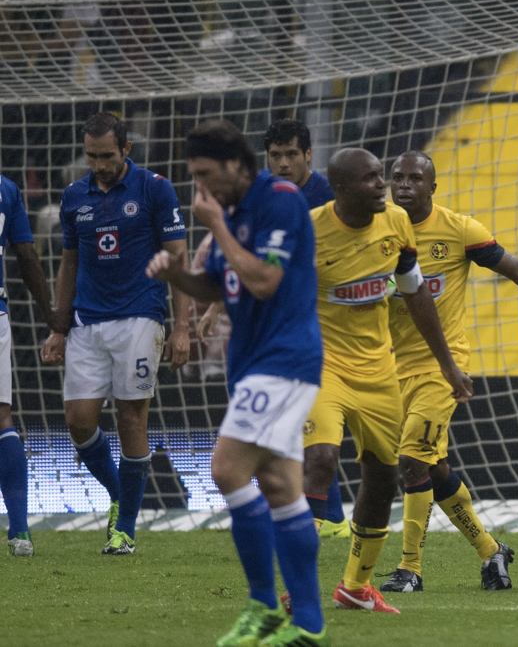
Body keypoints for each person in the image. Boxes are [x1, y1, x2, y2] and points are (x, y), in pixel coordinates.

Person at [375, 151, 518, 593]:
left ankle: (410, 569)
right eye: (397, 177)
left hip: (443, 369)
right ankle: (490, 551)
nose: (404, 185)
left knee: (412, 460)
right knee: (433, 467)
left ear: (433, 186)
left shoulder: (459, 230)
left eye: (415, 178)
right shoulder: (377, 231)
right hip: (388, 368)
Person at [146, 119, 328, 647]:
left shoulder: (280, 200)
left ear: (235, 165)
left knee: (226, 468)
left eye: (205, 175)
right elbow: (223, 285)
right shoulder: (229, 211)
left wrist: (217, 227)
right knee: (280, 490)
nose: (199, 188)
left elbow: (266, 281)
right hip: (252, 364)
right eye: (193, 178)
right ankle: (311, 629)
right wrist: (174, 276)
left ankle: (264, 607)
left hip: (285, 360)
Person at [300, 147, 470, 614]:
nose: (383, 185)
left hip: (379, 371)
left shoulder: (396, 224)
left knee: (382, 478)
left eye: (383, 176)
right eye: (373, 178)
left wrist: (448, 365)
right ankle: (297, 589)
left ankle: (356, 585)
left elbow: (415, 293)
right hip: (323, 366)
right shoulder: (308, 230)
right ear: (340, 189)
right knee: (321, 460)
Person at [40, 112, 191, 555]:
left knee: (131, 419)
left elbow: (177, 257)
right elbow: (70, 262)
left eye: (107, 156)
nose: (99, 165)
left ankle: (124, 529)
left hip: (140, 316)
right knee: (79, 420)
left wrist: (181, 327)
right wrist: (58, 326)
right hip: (87, 321)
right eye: (92, 156)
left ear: (127, 150)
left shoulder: (154, 188)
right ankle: (121, 495)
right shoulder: (74, 196)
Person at [196, 118, 349, 538]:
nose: (282, 163)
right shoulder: (253, 200)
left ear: (308, 156)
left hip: (322, 329)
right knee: (298, 439)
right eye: (275, 155)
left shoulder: (325, 196)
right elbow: (235, 265)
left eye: (290, 155)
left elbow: (367, 259)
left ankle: (327, 518)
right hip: (275, 324)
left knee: (310, 436)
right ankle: (323, 516)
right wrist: (212, 308)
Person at [0, 174, 56, 557]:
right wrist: (51, 315)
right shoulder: (6, 188)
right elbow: (26, 256)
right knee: (2, 418)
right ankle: (20, 532)